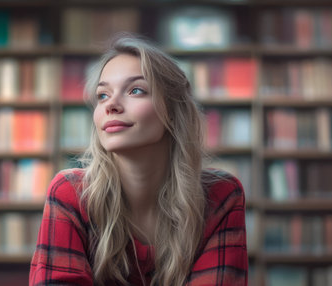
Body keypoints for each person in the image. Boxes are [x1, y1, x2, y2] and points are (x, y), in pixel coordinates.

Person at [29, 35, 248, 286]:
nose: (111, 105)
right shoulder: (70, 193)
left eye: (135, 90)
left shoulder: (221, 196)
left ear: (173, 113)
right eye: (102, 95)